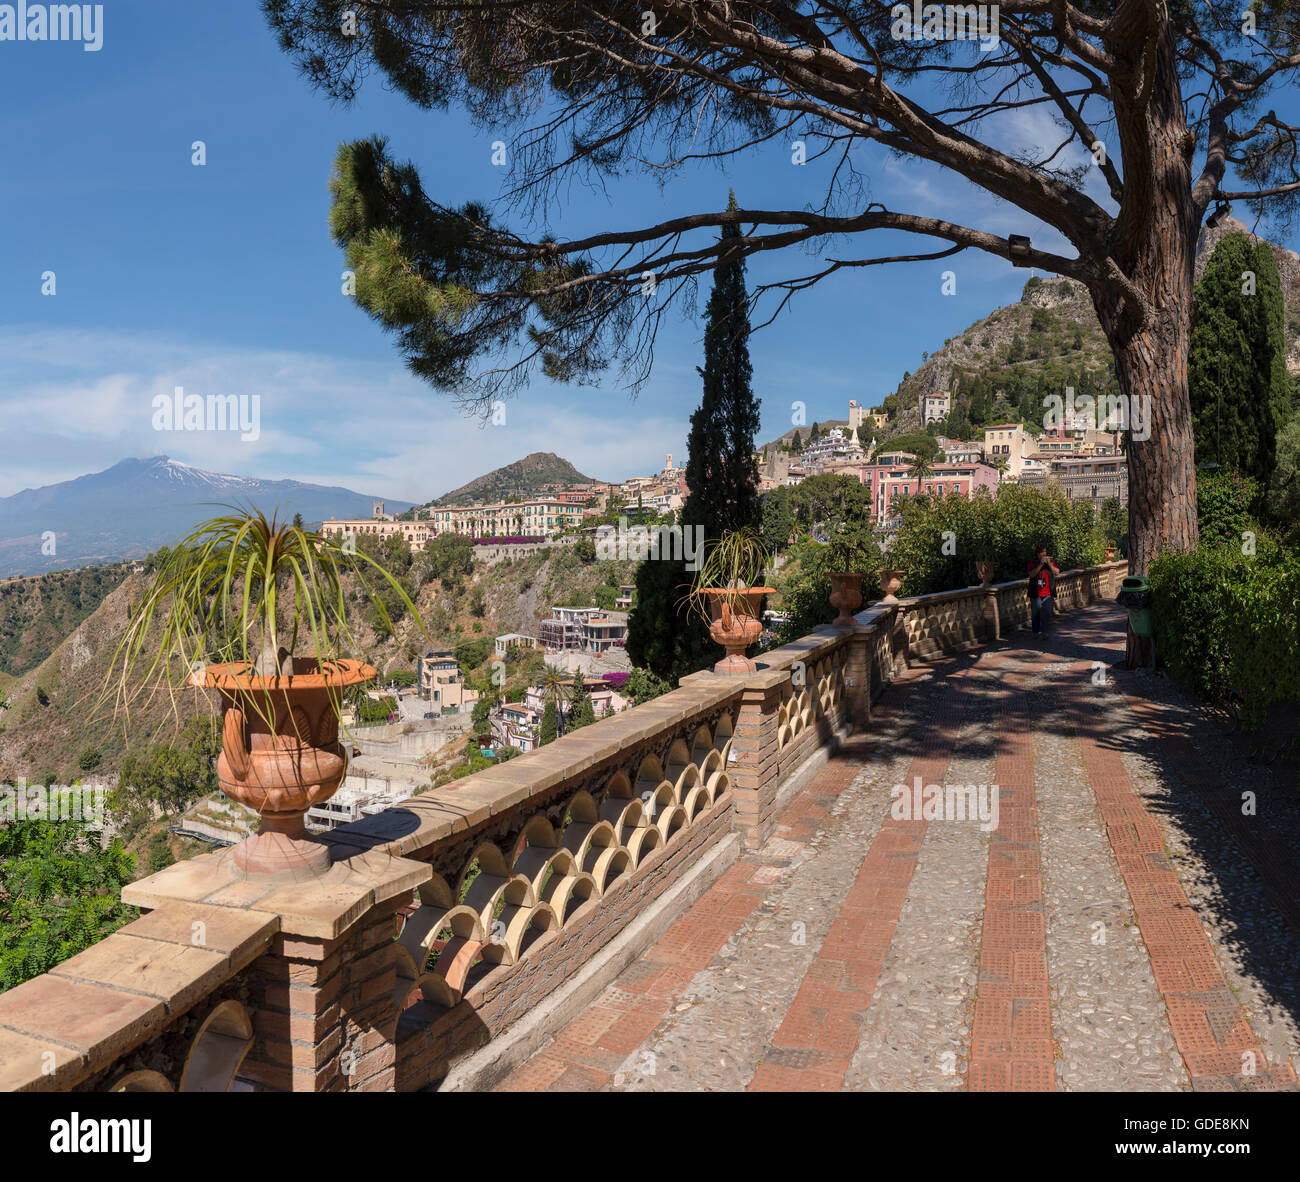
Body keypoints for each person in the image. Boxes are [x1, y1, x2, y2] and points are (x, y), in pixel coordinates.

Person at [1027, 544, 1059, 641]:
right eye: (1042, 552)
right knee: (1035, 614)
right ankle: (1035, 632)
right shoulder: (1032, 562)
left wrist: (1049, 564)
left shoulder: (1050, 562)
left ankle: (1045, 632)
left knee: (1047, 614)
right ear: (1037, 553)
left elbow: (1056, 572)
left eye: (1045, 552)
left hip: (1048, 593)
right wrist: (1040, 564)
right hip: (1036, 593)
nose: (1044, 554)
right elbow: (1032, 574)